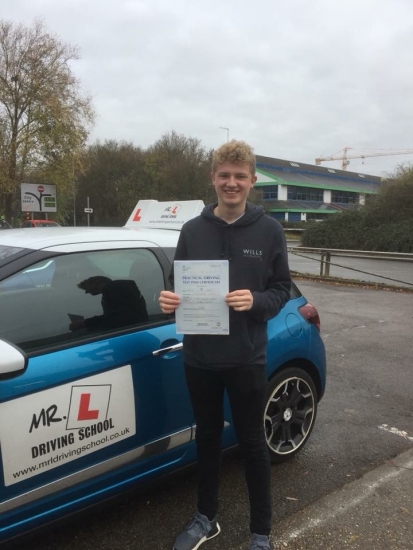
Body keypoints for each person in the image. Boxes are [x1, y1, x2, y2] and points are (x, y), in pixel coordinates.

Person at [159, 140, 291, 550]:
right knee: (209, 439)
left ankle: (261, 533)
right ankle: (206, 518)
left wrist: (256, 302)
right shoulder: (192, 230)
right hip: (199, 358)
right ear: (212, 179)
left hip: (246, 358)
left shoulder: (269, 231)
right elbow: (174, 286)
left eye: (239, 176)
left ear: (252, 181)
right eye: (224, 175)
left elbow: (282, 290)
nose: (231, 183)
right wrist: (168, 302)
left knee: (252, 443)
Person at [70, 276, 148, 330]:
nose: (87, 292)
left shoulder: (112, 290)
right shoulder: (115, 290)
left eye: (86, 289)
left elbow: (115, 317)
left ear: (96, 283)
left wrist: (85, 323)